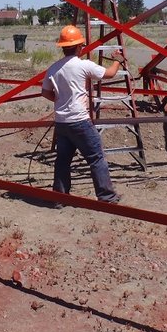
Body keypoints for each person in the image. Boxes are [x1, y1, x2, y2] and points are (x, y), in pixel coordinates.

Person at [41, 25, 124, 205]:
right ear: (79, 47)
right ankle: (106, 197)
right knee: (96, 157)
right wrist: (118, 60)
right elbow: (109, 74)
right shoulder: (83, 65)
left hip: (62, 123)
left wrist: (59, 99)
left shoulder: (54, 68)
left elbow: (45, 92)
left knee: (63, 160)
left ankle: (59, 197)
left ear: (63, 47)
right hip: (80, 121)